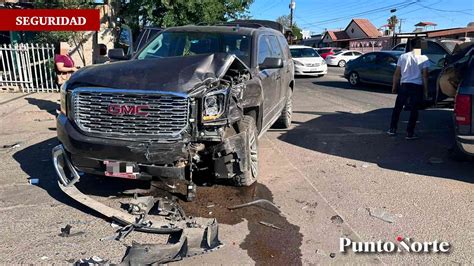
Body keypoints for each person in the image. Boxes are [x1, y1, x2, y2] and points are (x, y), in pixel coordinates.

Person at [388, 37, 430, 140]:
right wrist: (426, 91)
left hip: (404, 85)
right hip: (417, 86)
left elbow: (397, 74)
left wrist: (394, 86)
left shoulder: (403, 57)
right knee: (414, 110)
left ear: (411, 45)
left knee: (398, 108)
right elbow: (425, 76)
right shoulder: (424, 58)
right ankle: (409, 133)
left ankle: (392, 129)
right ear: (420, 46)